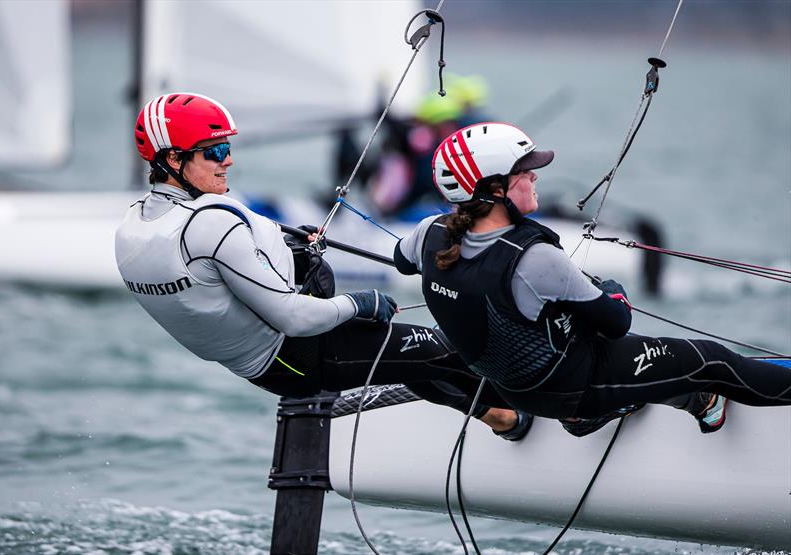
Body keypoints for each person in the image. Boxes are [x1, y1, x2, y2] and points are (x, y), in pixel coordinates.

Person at [116, 92, 532, 441]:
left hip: (265, 363)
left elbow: (209, 283)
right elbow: (293, 317)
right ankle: (555, 405)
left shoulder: (132, 226)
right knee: (435, 347)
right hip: (296, 354)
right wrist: (360, 302)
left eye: (228, 149)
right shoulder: (210, 223)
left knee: (407, 354)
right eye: (216, 152)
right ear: (172, 160)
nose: (228, 161)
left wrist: (284, 246)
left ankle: (499, 417)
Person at [393, 121, 791, 434]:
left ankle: (506, 419)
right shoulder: (535, 259)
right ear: (494, 188)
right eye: (526, 172)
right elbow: (617, 323)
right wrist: (612, 291)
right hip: (571, 392)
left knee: (404, 350)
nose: (536, 178)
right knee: (712, 359)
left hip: (509, 385)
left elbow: (402, 260)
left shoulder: (428, 233)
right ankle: (614, 411)